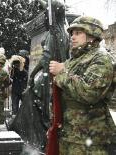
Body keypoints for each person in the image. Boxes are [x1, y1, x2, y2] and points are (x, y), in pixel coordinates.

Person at [49, 16, 116, 154]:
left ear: (92, 35)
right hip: (69, 135)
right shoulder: (73, 60)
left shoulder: (101, 58)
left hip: (91, 140)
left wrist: (61, 73)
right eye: (72, 33)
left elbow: (89, 93)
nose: (73, 37)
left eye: (78, 33)